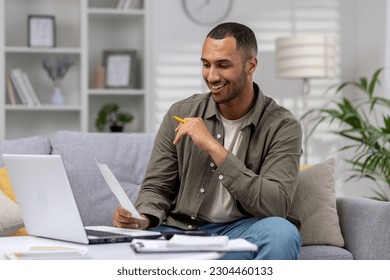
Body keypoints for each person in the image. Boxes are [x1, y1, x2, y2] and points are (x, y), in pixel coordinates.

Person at [113, 22, 303, 260]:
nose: (211, 76)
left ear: (250, 65)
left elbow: (276, 206)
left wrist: (214, 148)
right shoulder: (180, 113)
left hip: (242, 230)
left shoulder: (283, 126)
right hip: (182, 230)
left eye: (223, 65)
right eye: (206, 64)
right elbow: (157, 187)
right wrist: (143, 217)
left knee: (281, 233)